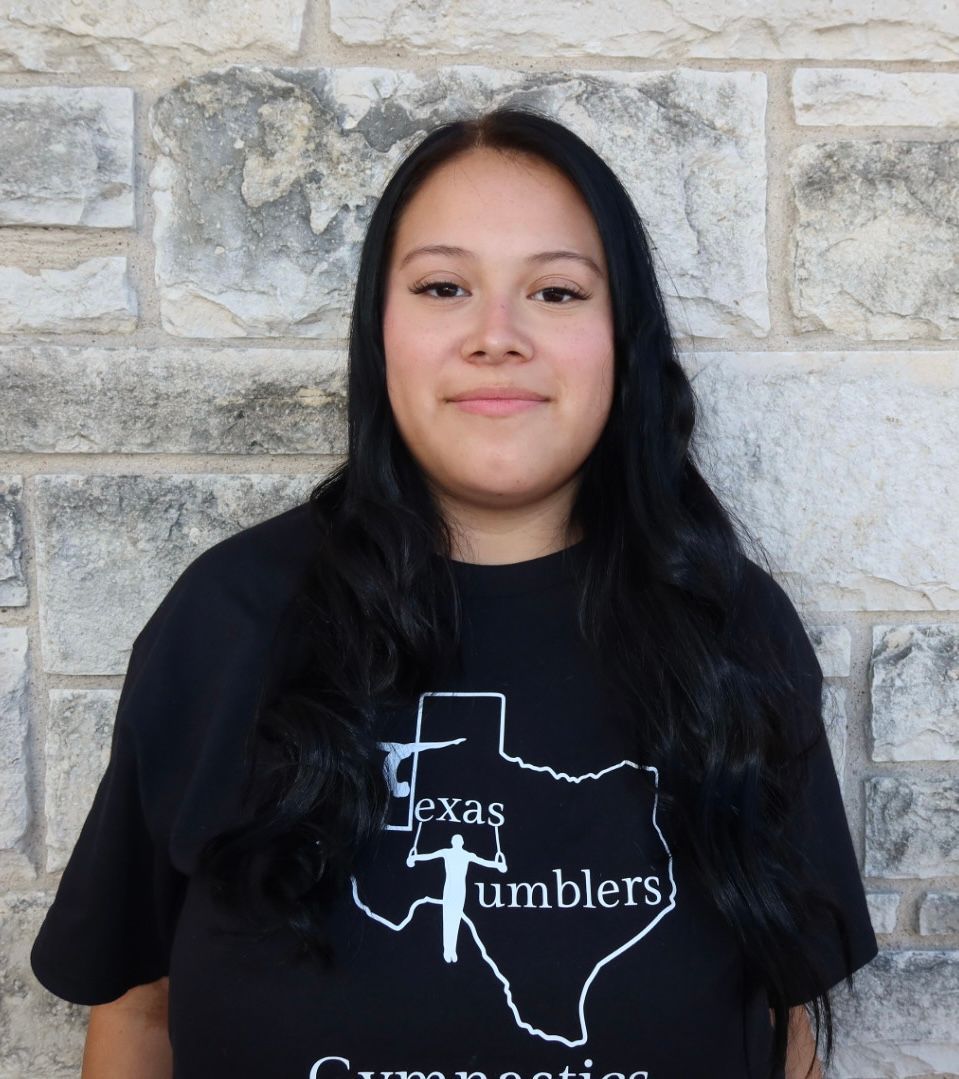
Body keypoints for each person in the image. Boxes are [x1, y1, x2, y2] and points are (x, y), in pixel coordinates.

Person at [30, 106, 878, 1079]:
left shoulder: (730, 631)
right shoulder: (228, 619)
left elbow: (787, 1030)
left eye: (555, 291)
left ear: (622, 337)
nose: (495, 336)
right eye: (443, 287)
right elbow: (138, 1012)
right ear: (379, 330)